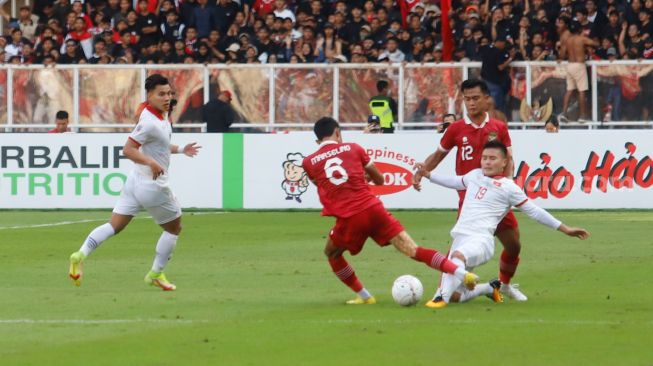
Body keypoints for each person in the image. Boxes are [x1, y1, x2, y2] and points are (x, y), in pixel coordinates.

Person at [302, 117, 479, 305]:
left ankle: (365, 297)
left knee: (332, 253)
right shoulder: (354, 148)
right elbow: (380, 181)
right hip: (374, 208)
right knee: (413, 250)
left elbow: (323, 184)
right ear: (337, 132)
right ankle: (463, 273)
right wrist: (364, 179)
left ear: (317, 140)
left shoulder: (308, 162)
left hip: (350, 216)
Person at [68, 74, 201, 291]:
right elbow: (128, 150)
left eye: (169, 93)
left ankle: (79, 254)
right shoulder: (149, 122)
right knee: (174, 228)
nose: (167, 98)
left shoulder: (161, 115)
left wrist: (180, 149)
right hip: (152, 185)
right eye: (161, 94)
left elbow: (159, 146)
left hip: (135, 181)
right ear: (150, 95)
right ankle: (156, 273)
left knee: (114, 225)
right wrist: (151, 163)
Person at [416, 141, 589, 307]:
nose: (487, 162)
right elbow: (454, 181)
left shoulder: (509, 187)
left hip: (480, 241)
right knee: (456, 295)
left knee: (457, 258)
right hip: (460, 237)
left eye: (492, 158)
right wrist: (428, 174)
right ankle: (488, 288)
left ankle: (440, 298)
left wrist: (566, 229)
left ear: (504, 162)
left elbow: (535, 212)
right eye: (484, 158)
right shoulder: (474, 175)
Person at [413, 79, 529, 303]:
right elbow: (438, 155)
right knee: (454, 294)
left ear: (487, 100)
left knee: (514, 246)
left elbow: (509, 160)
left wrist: (508, 185)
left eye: (476, 98)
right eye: (467, 99)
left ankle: (504, 285)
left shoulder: (499, 127)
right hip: (471, 206)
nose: (471, 103)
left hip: (496, 201)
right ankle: (486, 288)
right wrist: (422, 171)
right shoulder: (456, 129)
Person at [559, 22, 599, 122]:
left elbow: (562, 55)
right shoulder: (581, 39)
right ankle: (582, 116)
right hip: (579, 65)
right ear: (580, 30)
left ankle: (564, 113)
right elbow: (595, 44)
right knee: (582, 91)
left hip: (570, 65)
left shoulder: (567, 40)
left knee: (569, 90)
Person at [479, 35, 512, 115]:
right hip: (494, 82)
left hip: (484, 80)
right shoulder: (498, 52)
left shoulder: (486, 49)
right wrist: (509, 60)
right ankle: (497, 122)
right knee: (497, 106)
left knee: (486, 104)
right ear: (499, 42)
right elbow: (500, 67)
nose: (504, 46)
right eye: (503, 43)